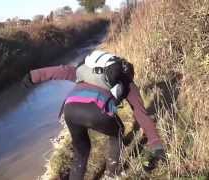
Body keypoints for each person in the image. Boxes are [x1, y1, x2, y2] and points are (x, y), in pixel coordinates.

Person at [22, 50, 165, 179]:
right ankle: (112, 174)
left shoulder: (86, 71)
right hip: (97, 112)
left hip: (70, 109)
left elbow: (61, 71)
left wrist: (33, 76)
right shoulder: (127, 83)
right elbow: (141, 115)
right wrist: (156, 145)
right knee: (118, 132)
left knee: (81, 152)